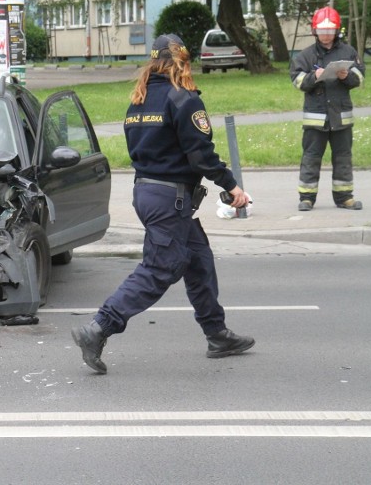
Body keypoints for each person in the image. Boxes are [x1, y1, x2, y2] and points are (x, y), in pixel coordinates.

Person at [71, 34, 255, 375]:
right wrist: (231, 186)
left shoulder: (139, 101)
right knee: (160, 268)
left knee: (198, 260)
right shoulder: (183, 99)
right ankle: (98, 329)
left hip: (147, 192)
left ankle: (217, 334)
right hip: (171, 198)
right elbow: (200, 155)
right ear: (181, 62)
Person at [291, 6, 366, 211]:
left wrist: (346, 76)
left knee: (343, 158)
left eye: (330, 30)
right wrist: (314, 77)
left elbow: (359, 77)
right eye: (322, 30)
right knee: (311, 158)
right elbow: (297, 81)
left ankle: (344, 198)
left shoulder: (348, 52)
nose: (326, 34)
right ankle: (306, 198)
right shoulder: (305, 56)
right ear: (315, 31)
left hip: (341, 118)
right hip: (316, 120)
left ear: (336, 31)